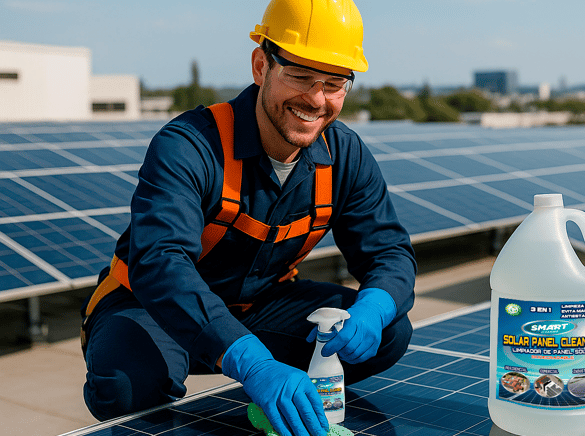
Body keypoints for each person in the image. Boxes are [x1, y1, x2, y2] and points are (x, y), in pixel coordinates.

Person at [79, 1, 416, 435]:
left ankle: (279, 391)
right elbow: (160, 262)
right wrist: (252, 363)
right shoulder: (190, 146)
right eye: (299, 76)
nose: (316, 99)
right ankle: (249, 369)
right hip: (156, 307)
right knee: (127, 386)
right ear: (261, 66)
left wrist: (375, 306)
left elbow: (389, 252)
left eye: (334, 83)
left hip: (260, 306)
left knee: (390, 332)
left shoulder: (344, 155)